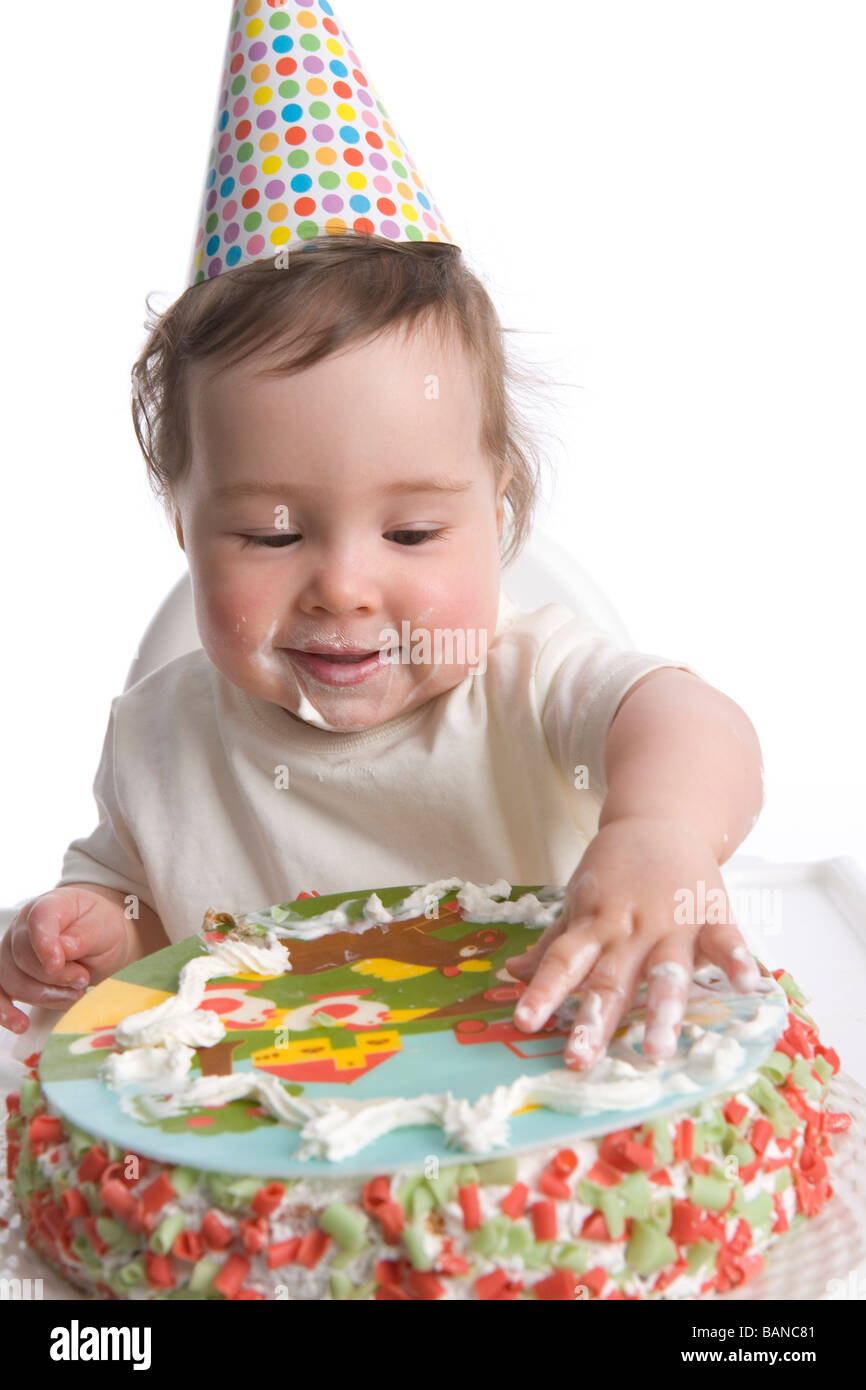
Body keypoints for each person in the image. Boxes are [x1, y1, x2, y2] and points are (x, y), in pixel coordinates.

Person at [0, 233, 765, 1069]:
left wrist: (661, 828)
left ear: (495, 514)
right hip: (273, 1145)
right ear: (186, 531)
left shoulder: (528, 683)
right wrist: (100, 934)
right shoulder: (159, 733)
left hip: (547, 1099)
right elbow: (157, 925)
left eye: (411, 532)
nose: (345, 588)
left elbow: (695, 723)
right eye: (269, 534)